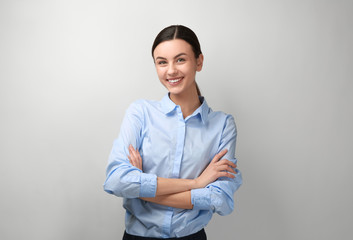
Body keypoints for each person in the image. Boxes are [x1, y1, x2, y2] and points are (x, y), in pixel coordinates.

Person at [103, 25, 242, 240]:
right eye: (162, 62)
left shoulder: (222, 125)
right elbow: (116, 181)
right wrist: (196, 184)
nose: (171, 71)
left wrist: (142, 189)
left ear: (199, 61)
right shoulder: (140, 113)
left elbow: (220, 199)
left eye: (180, 59)